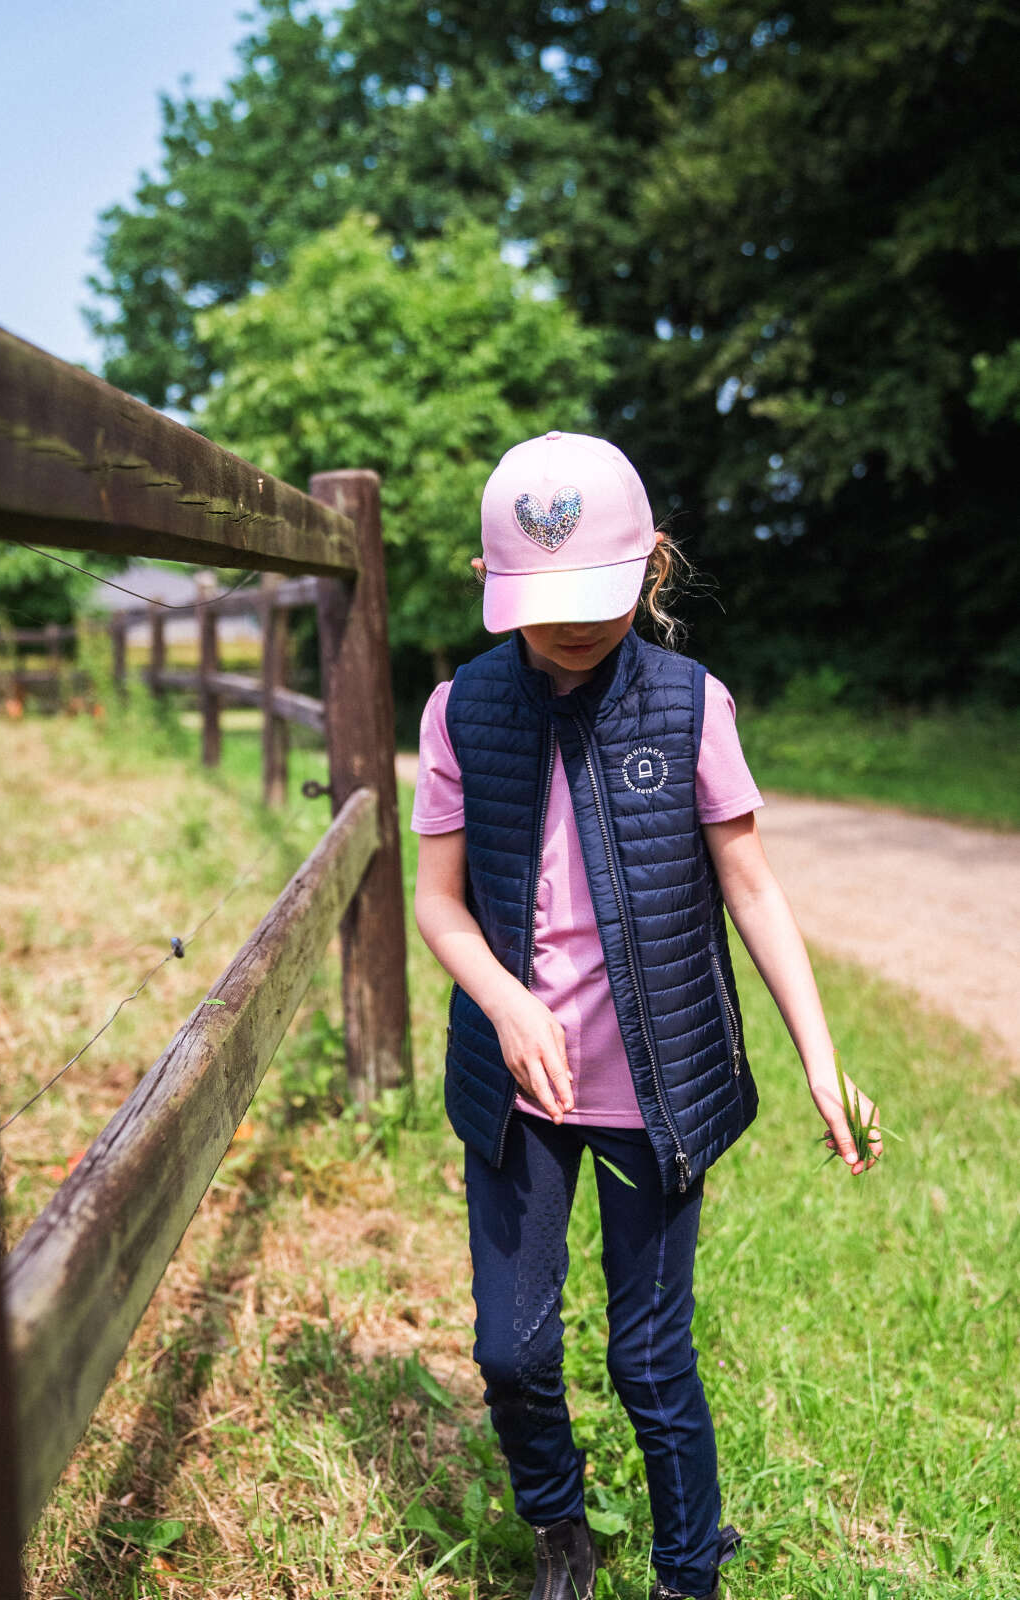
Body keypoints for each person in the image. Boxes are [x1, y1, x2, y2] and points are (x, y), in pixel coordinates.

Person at [411, 431, 881, 1600]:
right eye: (541, 601)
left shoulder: (689, 704)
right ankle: (559, 1530)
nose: (570, 625)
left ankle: (685, 1570)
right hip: (516, 1092)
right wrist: (505, 998)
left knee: (648, 1357)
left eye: (596, 596)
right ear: (490, 588)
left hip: (653, 1096)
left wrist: (819, 1061)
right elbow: (436, 903)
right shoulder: (459, 712)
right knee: (510, 1354)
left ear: (651, 565)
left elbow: (752, 887)